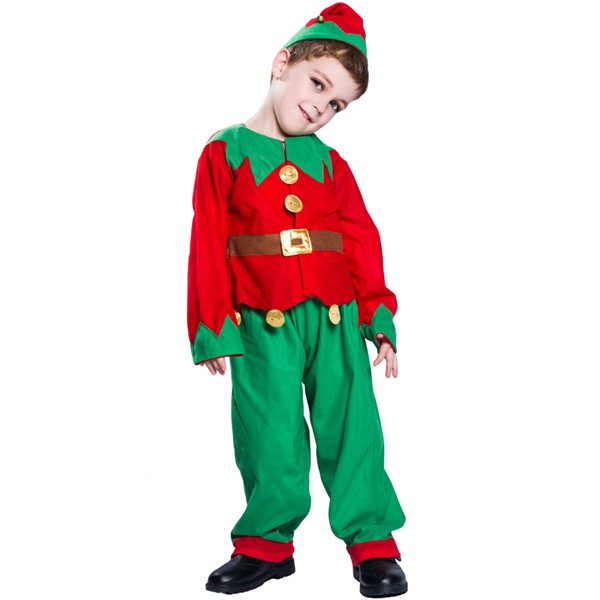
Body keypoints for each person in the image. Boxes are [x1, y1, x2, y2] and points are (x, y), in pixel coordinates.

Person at [187, 3, 408, 597]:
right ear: (282, 63)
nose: (321, 106)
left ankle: (372, 543)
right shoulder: (225, 153)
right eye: (318, 83)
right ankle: (265, 545)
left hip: (336, 319)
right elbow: (208, 242)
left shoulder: (332, 165)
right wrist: (213, 326)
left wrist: (378, 318)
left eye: (337, 104)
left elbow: (361, 242)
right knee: (269, 431)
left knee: (353, 427)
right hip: (262, 321)